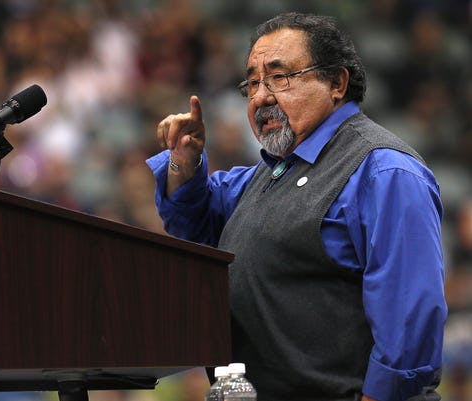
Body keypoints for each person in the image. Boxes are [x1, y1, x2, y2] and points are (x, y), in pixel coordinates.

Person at [146, 12, 447, 401]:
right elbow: (194, 223)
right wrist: (182, 162)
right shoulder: (268, 173)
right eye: (252, 82)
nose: (260, 97)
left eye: (278, 77)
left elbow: (410, 322)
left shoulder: (385, 172)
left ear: (337, 83)